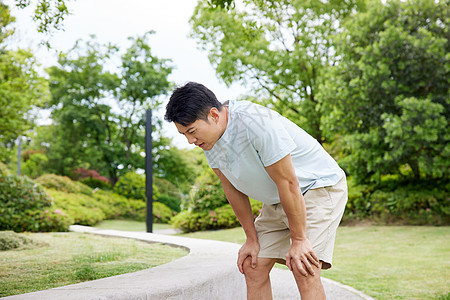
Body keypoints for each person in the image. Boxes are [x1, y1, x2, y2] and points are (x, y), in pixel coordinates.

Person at [164, 82, 348, 300]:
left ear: (214, 115)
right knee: (253, 265)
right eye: (184, 134)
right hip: (280, 197)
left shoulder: (256, 123)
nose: (190, 141)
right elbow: (231, 188)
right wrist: (251, 238)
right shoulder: (209, 143)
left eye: (192, 131)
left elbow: (288, 182)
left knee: (303, 266)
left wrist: (299, 240)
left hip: (318, 187)